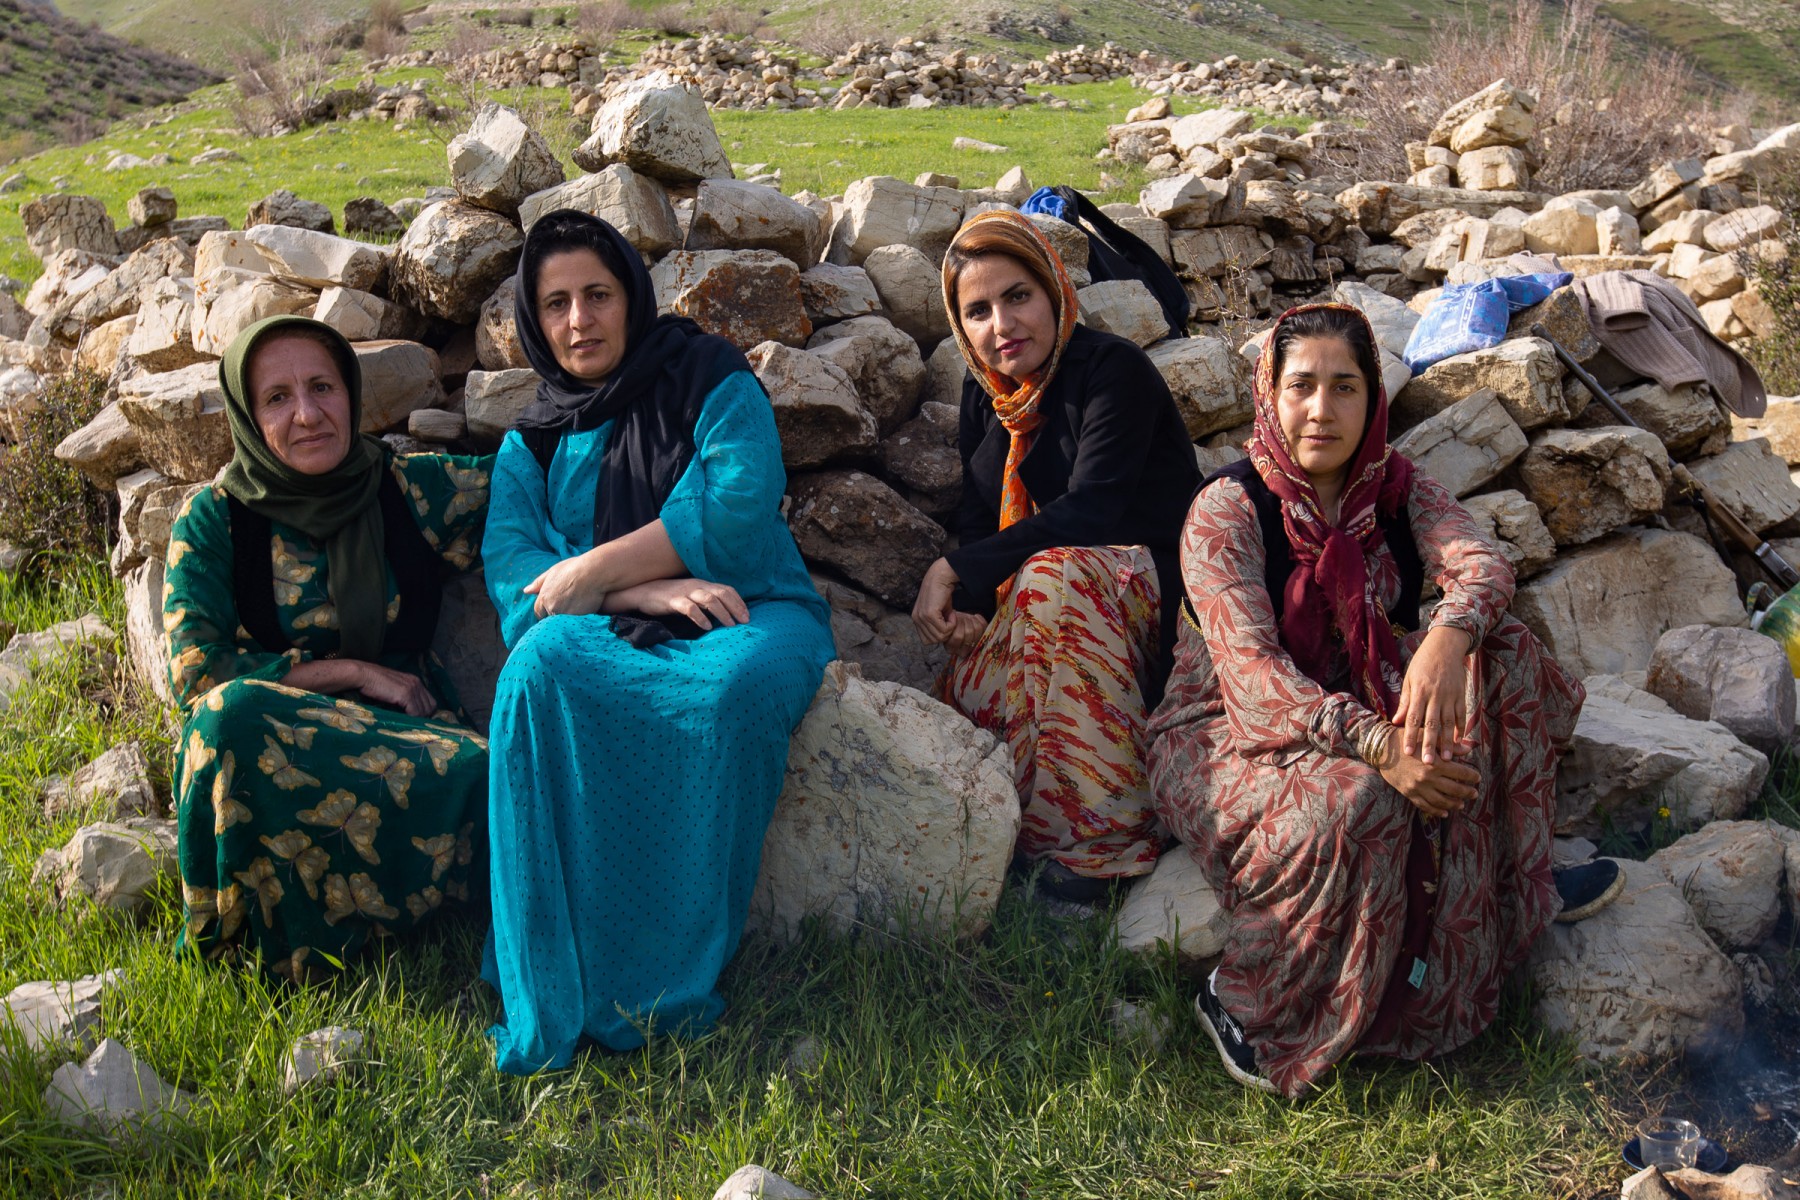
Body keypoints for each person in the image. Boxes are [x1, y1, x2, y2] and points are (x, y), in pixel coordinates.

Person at [1147, 303, 1618, 1098]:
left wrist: (1447, 635)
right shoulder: (1227, 510)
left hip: (1354, 696)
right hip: (1229, 728)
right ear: (1270, 394)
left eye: (1345, 387)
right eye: (1301, 387)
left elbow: (1482, 565)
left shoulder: (1394, 489)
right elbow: (1254, 676)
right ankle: (1243, 998)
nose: (1321, 410)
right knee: (1359, 798)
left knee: (1504, 653)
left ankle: (1513, 880)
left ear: (1374, 402)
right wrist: (1380, 747)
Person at [480, 209, 835, 1074]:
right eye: (556, 302)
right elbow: (520, 573)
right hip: (612, 623)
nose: (578, 321)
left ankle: (670, 979)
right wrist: (637, 587)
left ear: (631, 297)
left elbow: (737, 500)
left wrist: (594, 569)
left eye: (597, 295)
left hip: (748, 607)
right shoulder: (534, 437)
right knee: (535, 670)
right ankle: (562, 971)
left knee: (728, 689)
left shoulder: (707, 376)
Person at [166, 315, 491, 983]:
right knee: (230, 717)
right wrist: (355, 672)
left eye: (323, 387)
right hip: (270, 741)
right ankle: (275, 947)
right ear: (249, 414)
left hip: (408, 739)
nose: (308, 414)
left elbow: (539, 478)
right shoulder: (215, 520)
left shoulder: (405, 488)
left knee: (498, 778)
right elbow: (198, 678)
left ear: (351, 393)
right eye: (278, 398)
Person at [911, 209, 1200, 902]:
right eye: (976, 310)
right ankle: (1021, 834)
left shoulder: (1112, 371)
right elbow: (982, 520)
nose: (1000, 325)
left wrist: (955, 572)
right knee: (972, 670)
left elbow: (1092, 511)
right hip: (1055, 603)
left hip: (1153, 598)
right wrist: (971, 608)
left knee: (1055, 573)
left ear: (1054, 294)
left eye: (1017, 297)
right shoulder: (989, 400)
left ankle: (1101, 847)